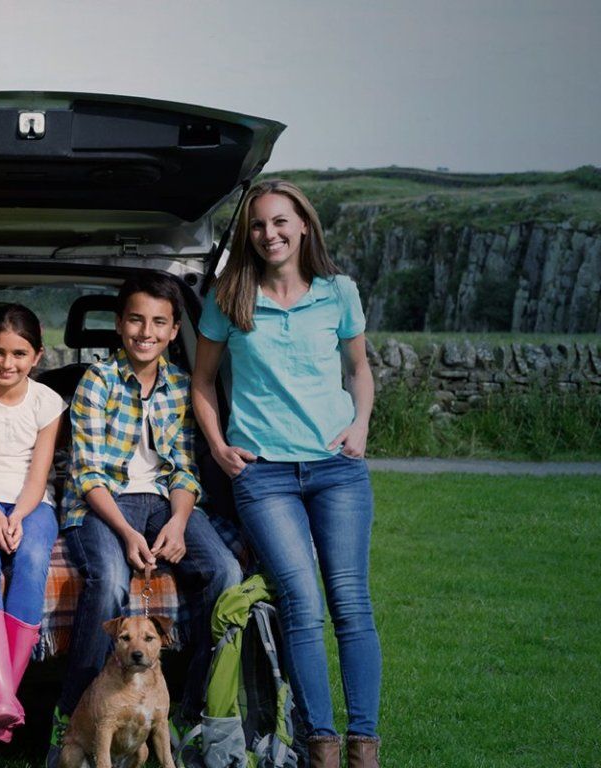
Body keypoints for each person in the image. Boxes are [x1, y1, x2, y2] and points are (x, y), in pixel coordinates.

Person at [193, 179, 380, 768]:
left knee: (351, 603)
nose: (268, 234)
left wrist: (362, 424)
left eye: (279, 222)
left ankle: (364, 745)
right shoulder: (230, 295)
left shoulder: (338, 292)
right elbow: (202, 383)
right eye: (257, 225)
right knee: (301, 603)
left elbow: (359, 370)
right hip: (264, 476)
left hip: (337, 469)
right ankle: (319, 742)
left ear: (303, 226)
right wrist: (221, 448)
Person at [49, 273, 244, 761]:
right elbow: (88, 472)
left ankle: (188, 711)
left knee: (226, 572)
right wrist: (127, 532)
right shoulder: (97, 380)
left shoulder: (180, 385)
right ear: (119, 325)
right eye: (136, 319)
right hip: (105, 503)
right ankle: (69, 715)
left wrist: (178, 522)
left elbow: (183, 468)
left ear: (175, 330)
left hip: (163, 501)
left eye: (159, 322)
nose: (146, 331)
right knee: (112, 577)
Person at [0, 304, 65, 744]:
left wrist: (18, 515)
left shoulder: (47, 402)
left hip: (31, 502)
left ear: (37, 356)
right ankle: (4, 696)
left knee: (35, 556)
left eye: (19, 354)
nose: (8, 363)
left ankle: (2, 700)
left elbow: (39, 474)